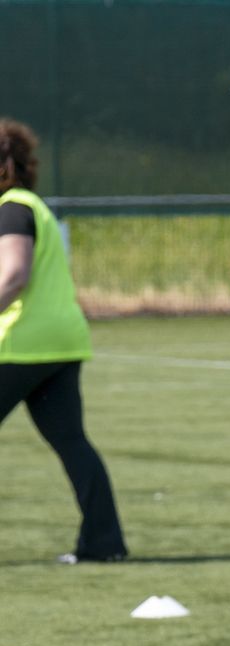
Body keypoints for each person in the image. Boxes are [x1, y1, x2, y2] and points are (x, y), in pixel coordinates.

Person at [0, 118, 127, 564]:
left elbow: (13, 274)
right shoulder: (32, 205)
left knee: (72, 441)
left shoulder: (12, 207)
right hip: (61, 342)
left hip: (20, 344)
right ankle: (104, 544)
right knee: (72, 442)